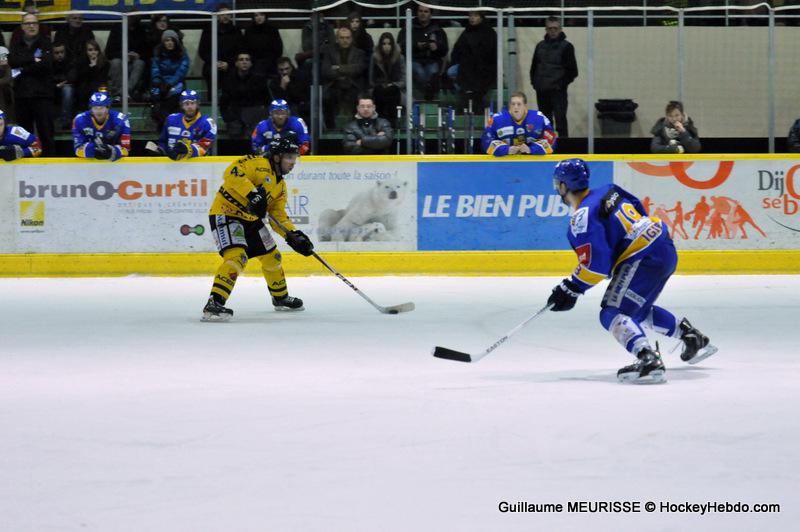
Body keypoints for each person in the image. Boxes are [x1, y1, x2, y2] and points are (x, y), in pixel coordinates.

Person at [546, 158, 717, 384]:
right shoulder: (609, 190)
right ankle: (691, 336)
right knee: (635, 310)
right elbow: (638, 208)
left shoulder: (581, 218)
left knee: (612, 313)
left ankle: (648, 359)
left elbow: (597, 265)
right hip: (662, 244)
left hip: (642, 258)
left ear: (563, 186)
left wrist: (571, 287)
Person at [202, 137, 315, 321]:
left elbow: (278, 216)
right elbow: (231, 173)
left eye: (295, 158)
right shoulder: (257, 163)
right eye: (289, 157)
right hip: (227, 213)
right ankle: (214, 303)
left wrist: (292, 234)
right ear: (277, 157)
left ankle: (280, 297)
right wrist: (252, 194)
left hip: (251, 221)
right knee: (237, 257)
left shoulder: (280, 186)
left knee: (273, 257)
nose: (293, 162)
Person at [9, 13, 55, 156]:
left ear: (38, 25)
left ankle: (50, 162)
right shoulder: (16, 43)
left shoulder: (46, 43)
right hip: (22, 95)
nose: (31, 26)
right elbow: (13, 62)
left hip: (43, 95)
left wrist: (23, 68)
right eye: (28, 23)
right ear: (22, 26)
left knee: (46, 133)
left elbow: (46, 65)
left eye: (34, 23)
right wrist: (33, 59)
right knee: (24, 135)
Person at [529, 16, 578, 138]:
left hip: (558, 92)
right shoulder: (539, 46)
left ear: (560, 29)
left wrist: (559, 85)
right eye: (550, 28)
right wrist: (535, 84)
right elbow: (534, 67)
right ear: (546, 29)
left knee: (560, 122)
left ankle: (564, 147)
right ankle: (547, 146)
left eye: (555, 28)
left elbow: (572, 71)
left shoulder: (567, 47)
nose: (552, 31)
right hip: (542, 90)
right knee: (545, 124)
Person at [448, 11, 497, 112]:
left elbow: (490, 54)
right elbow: (457, 50)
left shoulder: (489, 32)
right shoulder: (466, 32)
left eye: (475, 15)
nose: (472, 18)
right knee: (450, 72)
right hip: (465, 66)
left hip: (484, 67)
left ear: (481, 17)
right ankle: (466, 94)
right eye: (470, 15)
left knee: (475, 80)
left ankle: (470, 98)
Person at [397, 5, 449, 101]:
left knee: (432, 72)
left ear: (430, 14)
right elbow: (400, 46)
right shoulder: (408, 27)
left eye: (426, 11)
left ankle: (428, 94)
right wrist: (416, 46)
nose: (423, 14)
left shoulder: (437, 30)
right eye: (420, 11)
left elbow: (445, 50)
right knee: (419, 72)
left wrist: (436, 47)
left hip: (432, 60)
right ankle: (429, 93)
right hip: (414, 60)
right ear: (417, 13)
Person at [481, 91, 556, 156]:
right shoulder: (496, 119)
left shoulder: (539, 118)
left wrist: (531, 149)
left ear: (525, 106)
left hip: (533, 163)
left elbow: (551, 140)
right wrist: (507, 150)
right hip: (505, 163)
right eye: (513, 104)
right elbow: (486, 141)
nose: (516, 107)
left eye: (519, 104)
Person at [321, 27, 368, 129]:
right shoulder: (329, 52)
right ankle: (331, 128)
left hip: (353, 84)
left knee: (358, 97)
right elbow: (326, 70)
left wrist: (338, 68)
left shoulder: (359, 53)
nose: (345, 40)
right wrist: (347, 70)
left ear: (351, 38)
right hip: (334, 83)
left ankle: (355, 127)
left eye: (347, 37)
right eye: (342, 38)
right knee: (326, 97)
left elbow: (358, 69)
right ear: (337, 39)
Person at [154, 90, 216, 160]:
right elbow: (163, 141)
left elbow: (204, 146)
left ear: (198, 104)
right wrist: (160, 150)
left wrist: (188, 149)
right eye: (186, 104)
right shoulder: (171, 120)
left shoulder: (208, 123)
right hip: (172, 164)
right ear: (181, 105)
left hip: (198, 165)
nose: (190, 107)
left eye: (192, 103)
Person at [220, 52, 269, 138]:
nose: (244, 62)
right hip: (235, 117)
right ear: (236, 63)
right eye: (241, 59)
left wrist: (260, 117)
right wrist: (228, 118)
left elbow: (266, 100)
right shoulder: (229, 80)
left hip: (254, 116)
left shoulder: (259, 80)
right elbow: (223, 102)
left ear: (251, 63)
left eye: (247, 59)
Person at [72, 92, 131, 161]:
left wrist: (112, 151)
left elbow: (126, 149)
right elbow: (77, 149)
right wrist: (94, 151)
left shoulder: (121, 120)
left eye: (101, 107)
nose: (98, 111)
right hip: (89, 164)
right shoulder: (79, 120)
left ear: (107, 108)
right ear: (91, 108)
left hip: (115, 164)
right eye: (95, 108)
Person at [150, 29, 189, 130]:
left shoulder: (182, 55)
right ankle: (166, 125)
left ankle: (168, 125)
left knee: (173, 95)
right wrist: (158, 83)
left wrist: (169, 84)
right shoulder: (158, 54)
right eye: (167, 40)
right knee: (156, 96)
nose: (170, 43)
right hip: (161, 84)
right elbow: (155, 71)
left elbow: (181, 72)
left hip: (176, 84)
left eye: (172, 40)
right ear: (163, 42)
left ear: (176, 42)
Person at [198, 3, 243, 90]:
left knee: (234, 75)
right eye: (222, 14)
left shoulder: (236, 30)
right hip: (212, 64)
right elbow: (202, 51)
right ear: (218, 16)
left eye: (228, 14)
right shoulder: (209, 30)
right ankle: (212, 98)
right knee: (210, 73)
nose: (225, 16)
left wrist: (228, 63)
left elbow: (240, 51)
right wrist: (215, 62)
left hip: (231, 64)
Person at [105, 11, 148, 102]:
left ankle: (123, 93)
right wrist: (124, 55)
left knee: (140, 63)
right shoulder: (117, 29)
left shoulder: (141, 31)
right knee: (115, 62)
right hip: (120, 62)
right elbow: (108, 52)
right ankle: (120, 93)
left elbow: (147, 53)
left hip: (134, 64)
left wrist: (138, 55)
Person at [369, 32, 405, 128]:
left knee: (393, 92)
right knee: (379, 92)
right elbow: (371, 79)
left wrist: (393, 84)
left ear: (392, 45)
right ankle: (379, 123)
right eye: (384, 44)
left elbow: (403, 79)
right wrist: (381, 85)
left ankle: (392, 123)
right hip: (378, 87)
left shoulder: (400, 57)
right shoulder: (374, 57)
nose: (386, 47)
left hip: (396, 88)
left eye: (389, 44)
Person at [267, 57, 310, 123]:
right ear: (277, 70)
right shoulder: (274, 82)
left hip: (302, 107)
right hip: (284, 110)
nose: (284, 72)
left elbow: (301, 96)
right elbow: (278, 101)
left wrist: (289, 85)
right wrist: (282, 87)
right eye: (281, 70)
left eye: (287, 69)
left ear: (291, 67)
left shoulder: (300, 76)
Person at [243, 12, 283, 78]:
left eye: (261, 15)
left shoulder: (273, 29)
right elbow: (245, 48)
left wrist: (272, 60)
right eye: (256, 15)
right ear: (253, 17)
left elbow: (278, 48)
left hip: (271, 62)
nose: (259, 17)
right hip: (254, 62)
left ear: (265, 16)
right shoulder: (249, 30)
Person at [74, 40, 109, 114]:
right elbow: (80, 78)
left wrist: (94, 67)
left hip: (98, 88)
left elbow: (101, 79)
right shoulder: (81, 62)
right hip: (84, 88)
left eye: (95, 50)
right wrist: (91, 67)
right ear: (86, 51)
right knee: (84, 87)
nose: (93, 52)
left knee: (98, 87)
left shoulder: (105, 63)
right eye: (90, 50)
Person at [52, 42, 76, 129]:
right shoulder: (48, 63)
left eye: (62, 52)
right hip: (52, 87)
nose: (60, 55)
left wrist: (59, 83)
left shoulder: (70, 61)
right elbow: (47, 78)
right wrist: (57, 84)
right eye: (57, 53)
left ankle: (65, 122)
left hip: (67, 87)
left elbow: (72, 77)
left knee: (67, 90)